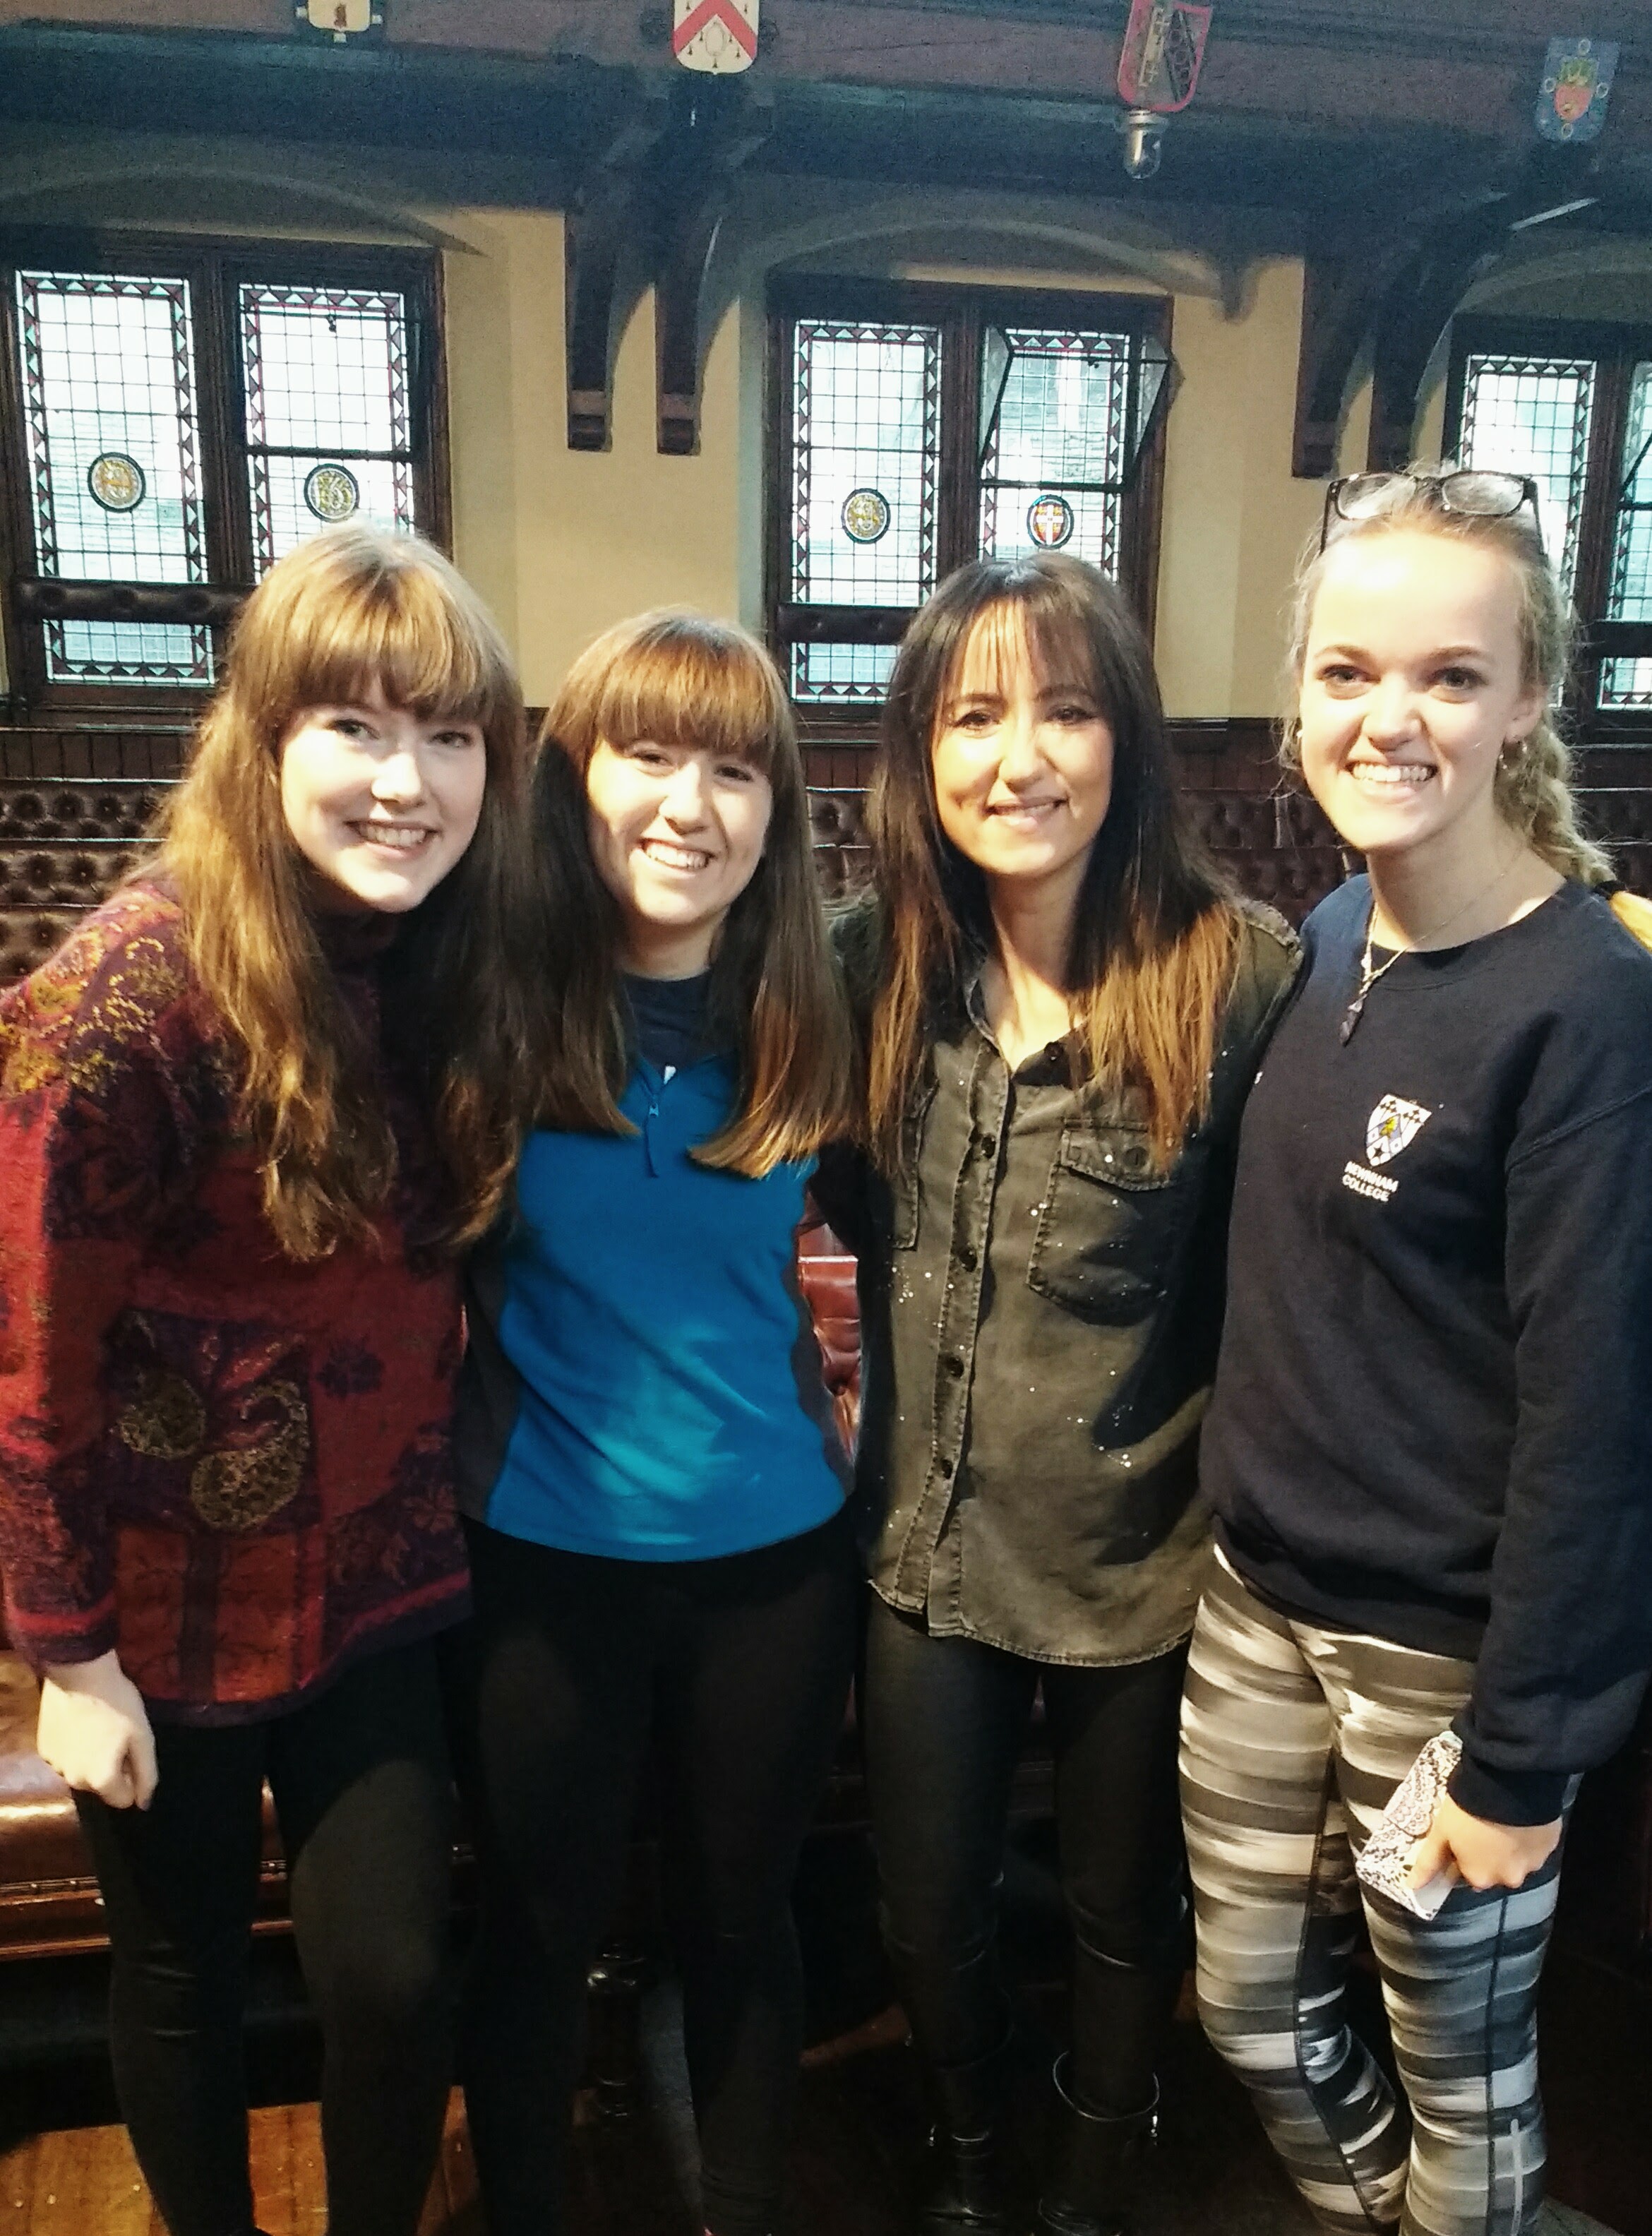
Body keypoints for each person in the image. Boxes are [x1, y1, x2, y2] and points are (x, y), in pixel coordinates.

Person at [0, 522, 538, 2236]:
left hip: (380, 1568)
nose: (407, 783)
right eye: (355, 730)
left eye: (447, 737)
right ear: (265, 738)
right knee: (182, 1980)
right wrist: (65, 1651)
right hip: (161, 1600)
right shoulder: (123, 999)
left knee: (391, 1973)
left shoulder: (450, 957)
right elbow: (29, 1352)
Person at [1180, 468, 1652, 2236]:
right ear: (1300, 695)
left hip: (1448, 1664)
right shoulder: (1327, 937)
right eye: (1350, 672)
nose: (1392, 719)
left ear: (1528, 700)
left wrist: (1522, 1756)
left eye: (1452, 676)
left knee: (1462, 2069)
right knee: (1249, 2010)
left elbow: (1602, 1420)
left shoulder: (1589, 1010)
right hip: (1255, 1603)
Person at [817, 553, 1298, 2236]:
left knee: (1120, 1909)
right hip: (926, 1556)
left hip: (1140, 1564)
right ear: (921, 751)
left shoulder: (1236, 978)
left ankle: (1095, 2174)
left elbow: (1275, 1275)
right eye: (975, 717)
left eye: (1067, 712)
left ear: (1126, 742)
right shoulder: (870, 965)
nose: (1019, 758)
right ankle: (970, 2147)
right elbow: (836, 1206)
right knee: (926, 1906)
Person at [453, 610, 859, 2236]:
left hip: (773, 1563)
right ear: (575, 780)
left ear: (774, 813)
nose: (690, 805)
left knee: (741, 1928)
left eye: (735, 771)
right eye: (648, 756)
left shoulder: (811, 1019)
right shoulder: (487, 1014)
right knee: (538, 1935)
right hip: (541, 1561)